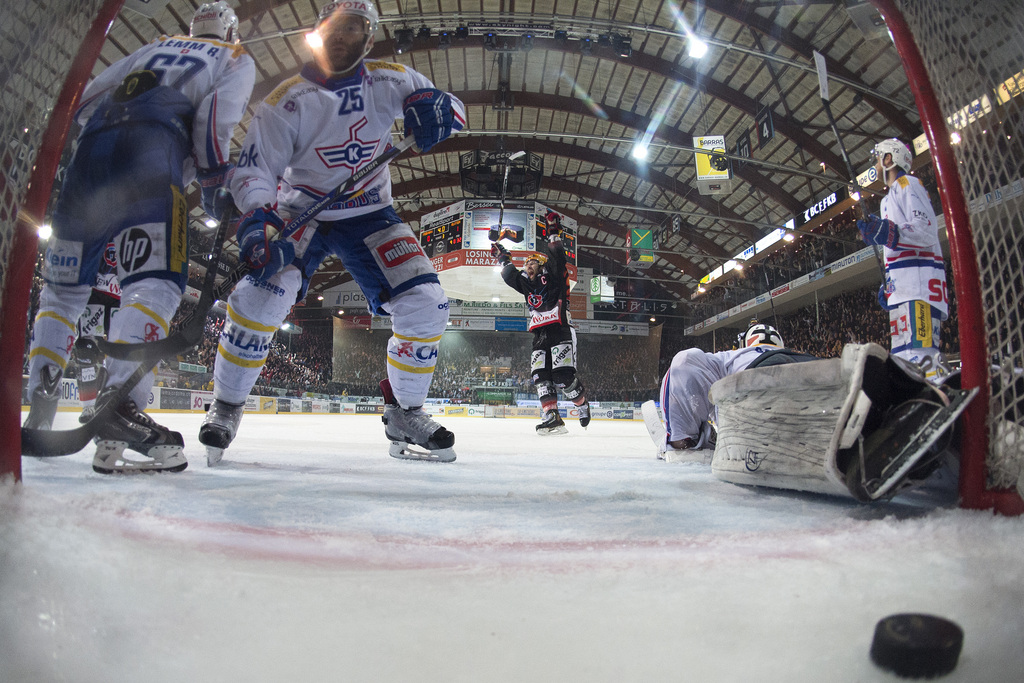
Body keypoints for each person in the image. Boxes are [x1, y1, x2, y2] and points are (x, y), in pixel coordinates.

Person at [199, 1, 465, 465]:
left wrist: (441, 111)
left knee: (427, 305)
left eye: (352, 28)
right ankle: (226, 406)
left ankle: (407, 413)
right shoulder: (285, 100)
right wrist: (259, 217)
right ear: (317, 32)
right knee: (260, 298)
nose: (340, 36)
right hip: (301, 209)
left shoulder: (391, 78)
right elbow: (255, 171)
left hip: (370, 212)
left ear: (369, 36)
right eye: (332, 28)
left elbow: (453, 109)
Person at [23, 1, 255, 474]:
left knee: (63, 289)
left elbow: (84, 101)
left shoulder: (150, 47)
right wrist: (212, 182)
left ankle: (40, 400)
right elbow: (214, 126)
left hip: (91, 154)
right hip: (151, 151)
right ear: (229, 33)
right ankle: (118, 405)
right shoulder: (234, 58)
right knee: (155, 284)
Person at [643, 322, 813, 459]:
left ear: (745, 343)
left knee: (683, 361)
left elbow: (684, 363)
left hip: (749, 420)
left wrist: (680, 433)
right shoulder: (798, 354)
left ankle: (682, 442)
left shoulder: (732, 357)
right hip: (804, 381)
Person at [856, 138, 949, 381]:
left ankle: (941, 409)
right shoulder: (888, 198)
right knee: (904, 361)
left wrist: (888, 232)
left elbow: (926, 228)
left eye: (879, 157)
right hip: (905, 291)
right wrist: (890, 285)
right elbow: (899, 248)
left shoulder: (908, 184)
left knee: (921, 359)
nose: (876, 163)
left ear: (889, 158)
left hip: (919, 291)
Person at [491, 211, 591, 435]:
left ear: (542, 264)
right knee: (540, 377)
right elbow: (509, 276)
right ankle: (552, 417)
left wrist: (553, 232)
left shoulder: (553, 276)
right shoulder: (526, 284)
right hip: (539, 336)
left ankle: (582, 405)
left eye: (532, 262)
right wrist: (501, 256)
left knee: (563, 377)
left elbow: (557, 258)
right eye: (526, 263)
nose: (528, 265)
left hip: (560, 329)